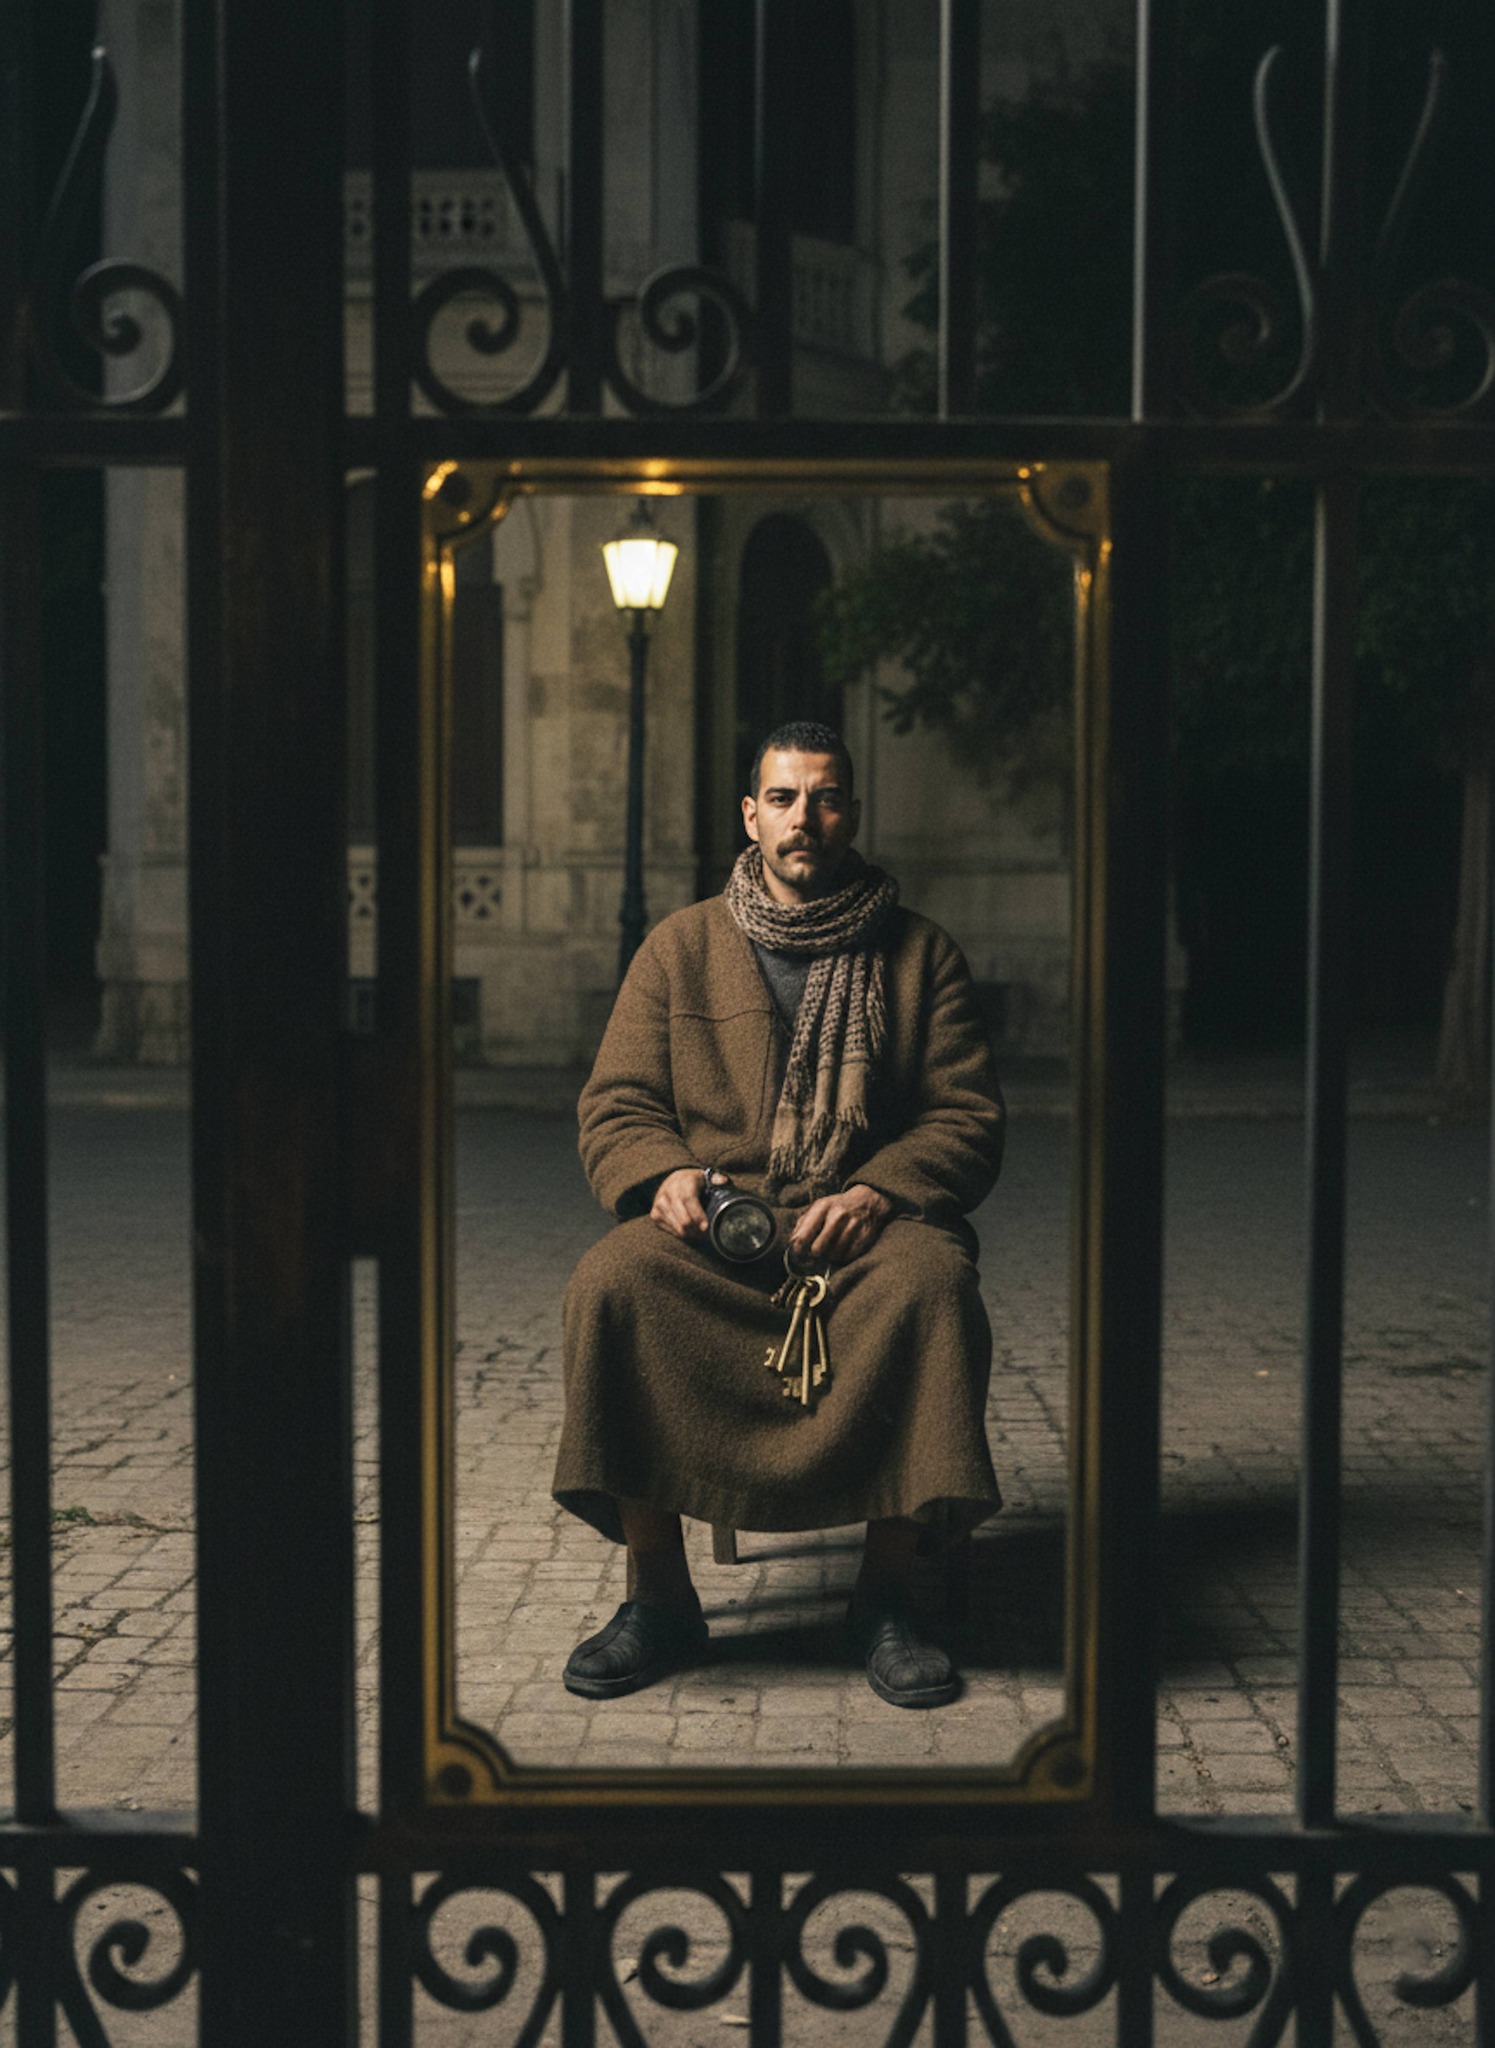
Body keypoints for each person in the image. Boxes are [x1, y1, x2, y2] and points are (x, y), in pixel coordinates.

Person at [553, 720, 1004, 1708]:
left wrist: (879, 1187)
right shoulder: (677, 948)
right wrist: (663, 1173)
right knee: (609, 1282)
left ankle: (884, 1598)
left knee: (934, 1286)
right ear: (751, 816)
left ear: (851, 812)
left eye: (827, 796)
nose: (807, 817)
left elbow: (966, 1116)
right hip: (721, 1231)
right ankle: (659, 1597)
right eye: (785, 798)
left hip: (864, 1231)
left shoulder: (919, 953)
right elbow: (616, 1103)